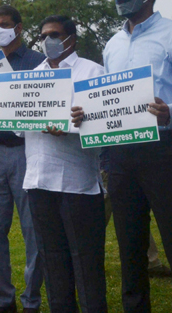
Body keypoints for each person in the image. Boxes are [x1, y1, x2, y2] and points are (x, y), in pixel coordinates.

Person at [72, 0, 172, 312]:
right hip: (119, 156)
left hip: (163, 149)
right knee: (130, 246)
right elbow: (107, 98)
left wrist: (171, 113)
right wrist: (89, 114)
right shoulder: (112, 44)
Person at [22, 16, 106, 312]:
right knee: (52, 259)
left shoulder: (93, 71)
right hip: (38, 180)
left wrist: (73, 125)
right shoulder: (33, 75)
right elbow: (18, 127)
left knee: (86, 260)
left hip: (78, 182)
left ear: (72, 38)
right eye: (43, 35)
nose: (48, 41)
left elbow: (107, 127)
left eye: (55, 34)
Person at [0, 5, 45, 313]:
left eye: (3, 24)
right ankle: (3, 299)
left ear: (18, 27)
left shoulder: (38, 62)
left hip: (28, 150)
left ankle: (31, 300)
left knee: (33, 229)